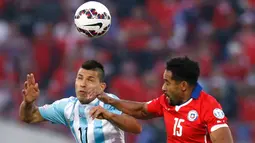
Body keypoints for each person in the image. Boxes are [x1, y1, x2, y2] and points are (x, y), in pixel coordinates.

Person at [97, 56, 234, 143]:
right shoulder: (167, 101)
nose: (163, 87)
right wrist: (109, 100)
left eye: (167, 83)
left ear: (183, 86)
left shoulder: (208, 106)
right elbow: (142, 110)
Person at [19, 60, 142, 143]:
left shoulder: (110, 101)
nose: (83, 84)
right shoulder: (67, 106)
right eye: (80, 78)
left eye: (90, 80)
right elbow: (29, 117)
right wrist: (28, 103)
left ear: (101, 87)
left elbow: (136, 127)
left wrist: (109, 115)